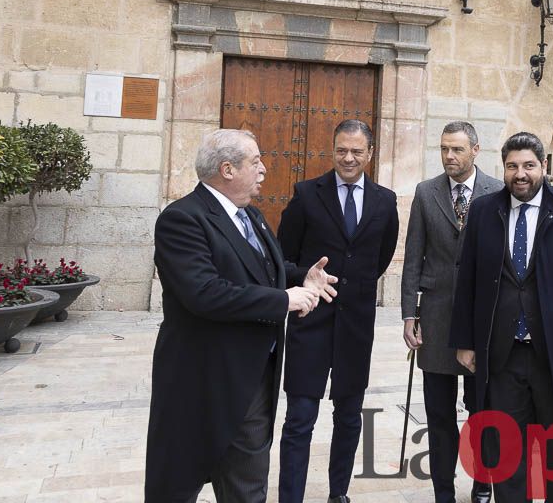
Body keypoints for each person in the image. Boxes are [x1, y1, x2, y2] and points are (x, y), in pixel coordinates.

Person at [145, 129, 337, 502]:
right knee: (177, 486)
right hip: (203, 381)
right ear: (228, 169)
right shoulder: (183, 218)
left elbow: (263, 269)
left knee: (247, 488)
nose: (264, 169)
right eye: (255, 161)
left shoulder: (251, 215)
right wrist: (283, 300)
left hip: (254, 378)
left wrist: (301, 277)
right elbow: (204, 292)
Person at [450, 131, 553, 503]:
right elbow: (468, 279)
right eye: (512, 166)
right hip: (503, 356)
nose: (520, 174)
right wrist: (465, 342)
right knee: (508, 454)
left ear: (544, 165)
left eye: (528, 165)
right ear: (503, 169)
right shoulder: (484, 211)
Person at [277, 119, 400, 503]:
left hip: (356, 328)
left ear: (370, 153)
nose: (348, 158)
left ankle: (338, 494)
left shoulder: (385, 201)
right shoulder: (306, 195)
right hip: (309, 323)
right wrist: (305, 277)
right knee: (300, 420)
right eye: (341, 150)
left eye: (356, 151)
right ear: (332, 150)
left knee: (348, 418)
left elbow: (380, 258)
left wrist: (353, 287)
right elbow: (282, 259)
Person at [401, 121, 500, 503]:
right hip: (437, 319)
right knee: (439, 414)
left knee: (482, 411)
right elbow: (413, 257)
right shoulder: (426, 193)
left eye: (457, 149)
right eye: (444, 149)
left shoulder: (497, 191)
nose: (449, 156)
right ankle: (443, 490)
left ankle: (482, 482)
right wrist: (409, 315)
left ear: (475, 150)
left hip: (482, 321)